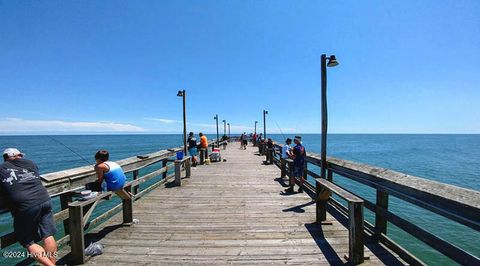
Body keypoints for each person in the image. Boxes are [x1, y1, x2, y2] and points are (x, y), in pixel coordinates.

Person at [0, 148, 58, 266]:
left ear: (5, 157)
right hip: (44, 198)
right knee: (47, 234)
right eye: (20, 155)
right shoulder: (30, 163)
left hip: (26, 205)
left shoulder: (1, 168)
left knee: (28, 242)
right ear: (18, 155)